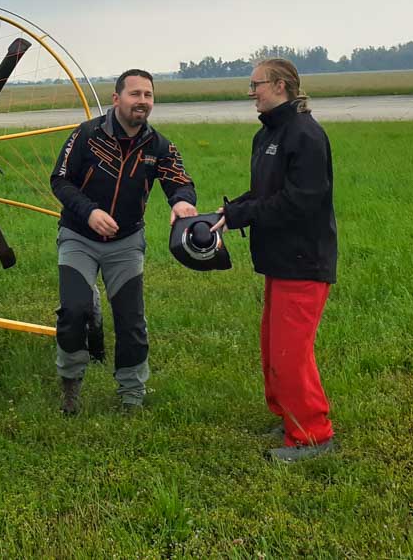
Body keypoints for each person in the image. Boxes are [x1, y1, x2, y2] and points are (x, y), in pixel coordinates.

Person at [50, 69, 197, 414]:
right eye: (135, 94)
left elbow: (180, 181)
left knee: (131, 320)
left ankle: (131, 396)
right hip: (79, 237)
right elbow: (60, 180)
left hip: (126, 242)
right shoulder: (86, 135)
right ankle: (70, 387)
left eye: (148, 95)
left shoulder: (158, 145)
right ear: (116, 98)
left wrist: (181, 201)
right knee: (74, 311)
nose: (142, 101)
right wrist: (89, 212)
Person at [218, 58, 338, 462]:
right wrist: (228, 213)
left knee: (291, 355)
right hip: (279, 261)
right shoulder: (267, 134)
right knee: (273, 348)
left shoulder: (305, 134)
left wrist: (244, 216)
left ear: (281, 86)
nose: (251, 92)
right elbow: (263, 193)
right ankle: (289, 417)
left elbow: (300, 202)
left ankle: (313, 437)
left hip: (303, 261)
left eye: (257, 85)